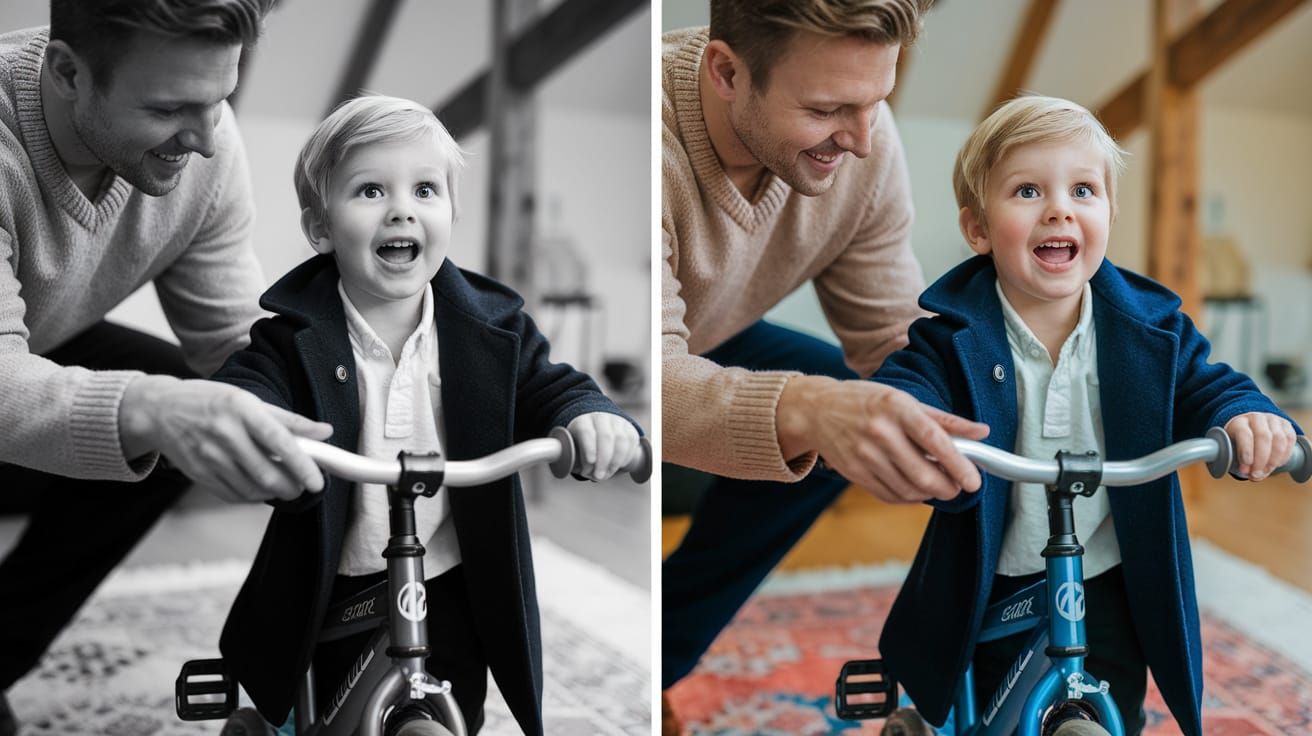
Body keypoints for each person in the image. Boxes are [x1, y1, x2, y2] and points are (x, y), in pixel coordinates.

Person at [211, 94, 643, 735]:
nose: (401, 209)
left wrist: (591, 417)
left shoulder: (491, 329)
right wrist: (252, 418)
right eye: (369, 191)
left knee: (450, 711)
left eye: (424, 189)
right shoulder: (294, 334)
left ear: (451, 211)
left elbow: (550, 387)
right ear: (321, 227)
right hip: (334, 576)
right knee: (310, 711)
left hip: (450, 576)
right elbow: (251, 386)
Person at [873, 95, 1297, 736]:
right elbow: (911, 385)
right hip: (993, 573)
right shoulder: (954, 334)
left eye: (1082, 189)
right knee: (984, 713)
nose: (1059, 208)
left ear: (1108, 212)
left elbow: (1208, 387)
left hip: (1106, 572)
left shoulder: (1149, 331)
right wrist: (906, 417)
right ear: (978, 229)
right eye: (1026, 191)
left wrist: (1248, 418)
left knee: (1115, 705)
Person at [0, 2, 335, 731]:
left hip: (32, 352)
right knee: (158, 405)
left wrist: (358, 403)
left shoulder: (203, 143)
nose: (209, 138)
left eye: (220, 99)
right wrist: (154, 408)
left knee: (185, 409)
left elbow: (236, 339)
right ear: (66, 72)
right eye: (171, 108)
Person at [660, 0, 989, 701]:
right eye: (828, 109)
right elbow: (644, 381)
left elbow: (894, 339)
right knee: (818, 400)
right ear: (726, 71)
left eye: (877, 101)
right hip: (602, 362)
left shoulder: (865, 143)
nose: (864, 139)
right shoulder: (644, 146)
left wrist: (985, 416)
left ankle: (658, 650)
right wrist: (811, 408)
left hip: (706, 332)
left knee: (844, 396)